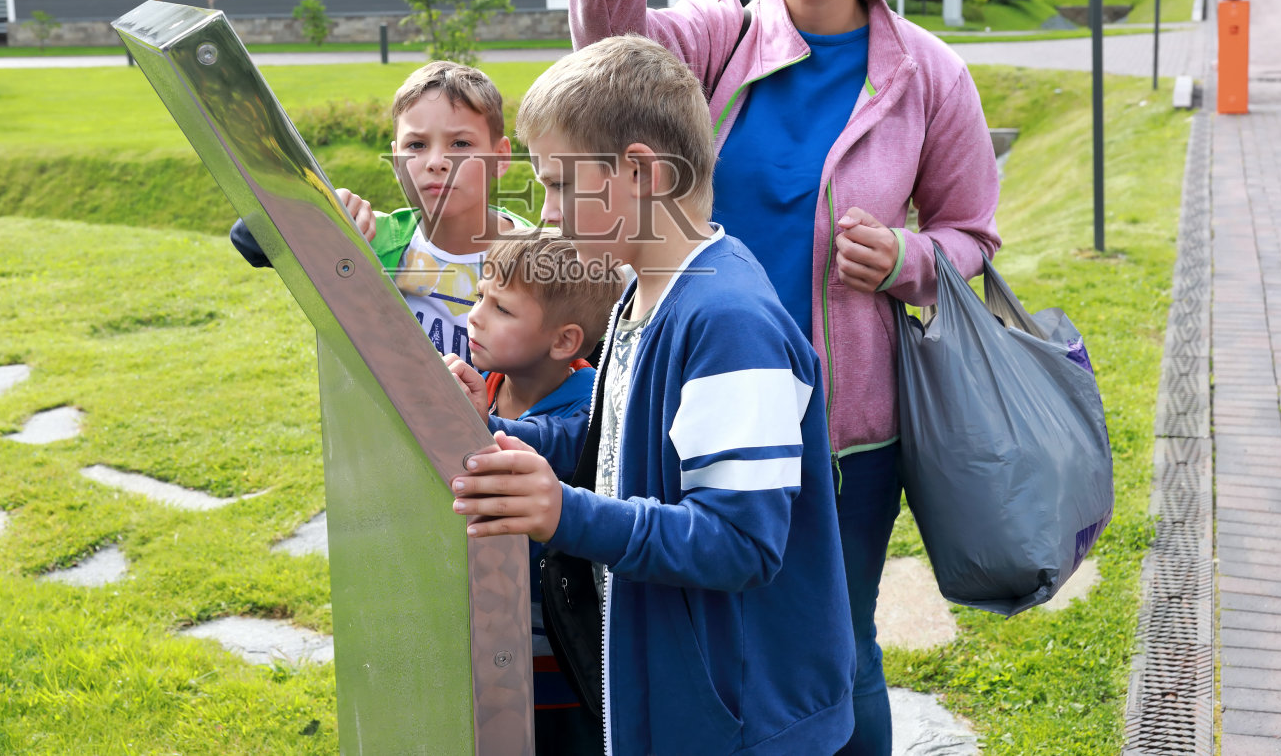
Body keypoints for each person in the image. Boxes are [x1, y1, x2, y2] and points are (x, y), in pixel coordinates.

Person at [560, 0, 1001, 755]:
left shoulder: (929, 76)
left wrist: (909, 259)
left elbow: (972, 236)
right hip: (695, 399)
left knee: (836, 649)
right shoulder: (722, 41)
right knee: (705, 633)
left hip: (845, 433)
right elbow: (616, 60)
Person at [451, 37, 856, 756]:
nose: (546, 214)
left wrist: (565, 513)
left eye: (559, 184)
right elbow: (618, 440)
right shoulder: (647, 290)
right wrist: (495, 433)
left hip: (738, 722)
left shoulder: (729, 323)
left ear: (637, 173)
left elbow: (739, 542)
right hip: (673, 699)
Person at [444, 230, 625, 755]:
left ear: (565, 341)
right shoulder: (493, 381)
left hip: (559, 646)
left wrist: (482, 424)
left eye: (501, 307)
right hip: (491, 625)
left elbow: (558, 444)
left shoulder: (588, 402)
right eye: (479, 296)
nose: (475, 315)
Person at [230, 61, 531, 364]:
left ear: (500, 157)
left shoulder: (541, 258)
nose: (436, 162)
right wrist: (316, 210)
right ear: (397, 161)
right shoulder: (373, 238)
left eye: (461, 143)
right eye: (416, 145)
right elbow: (248, 241)